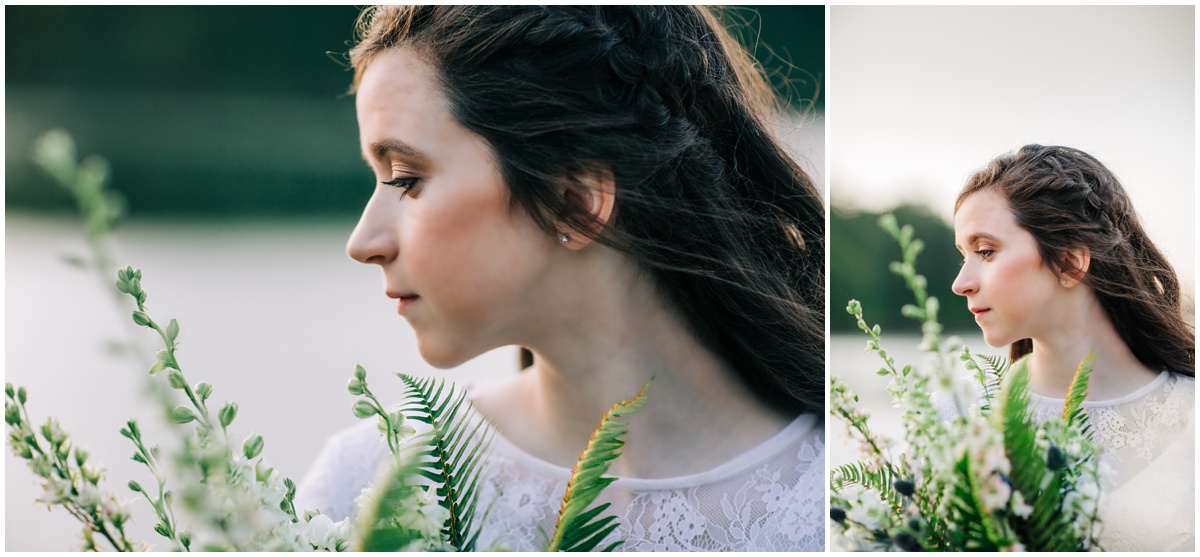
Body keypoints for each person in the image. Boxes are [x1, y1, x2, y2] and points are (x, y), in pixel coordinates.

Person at [296, 6, 825, 551]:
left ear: (575, 203)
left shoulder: (839, 509)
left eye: (406, 180)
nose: (362, 243)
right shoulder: (364, 489)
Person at [951, 144, 1194, 551]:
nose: (961, 283)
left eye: (985, 252)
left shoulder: (1192, 420)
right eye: (964, 255)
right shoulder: (957, 416)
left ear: (1069, 262)